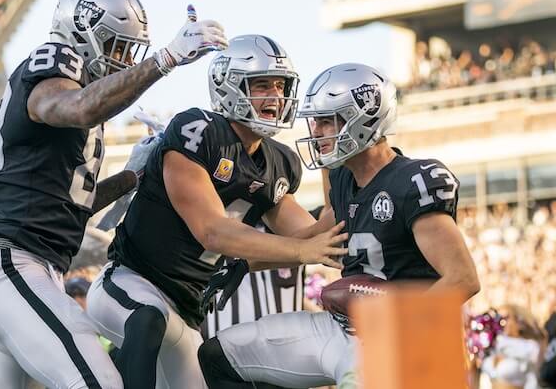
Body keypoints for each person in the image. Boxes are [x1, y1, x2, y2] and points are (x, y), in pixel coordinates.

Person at [0, 0, 227, 389]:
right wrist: (165, 59)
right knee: (98, 382)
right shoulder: (53, 62)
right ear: (82, 32)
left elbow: (73, 202)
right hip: (10, 264)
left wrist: (133, 175)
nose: (122, 61)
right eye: (116, 47)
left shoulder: (73, 107)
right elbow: (78, 107)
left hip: (18, 267)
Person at [86, 34, 347, 388]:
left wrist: (337, 166)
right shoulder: (197, 131)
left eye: (280, 85)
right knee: (147, 319)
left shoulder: (278, 161)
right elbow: (212, 231)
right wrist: (302, 251)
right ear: (230, 86)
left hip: (187, 309)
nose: (275, 95)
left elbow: (311, 236)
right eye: (261, 85)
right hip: (131, 281)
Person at [198, 62, 481, 388]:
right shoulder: (344, 181)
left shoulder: (413, 181)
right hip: (342, 328)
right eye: (315, 122)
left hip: (407, 336)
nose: (316, 132)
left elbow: (463, 279)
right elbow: (314, 240)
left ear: (363, 118)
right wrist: (243, 265)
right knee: (220, 355)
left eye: (325, 122)